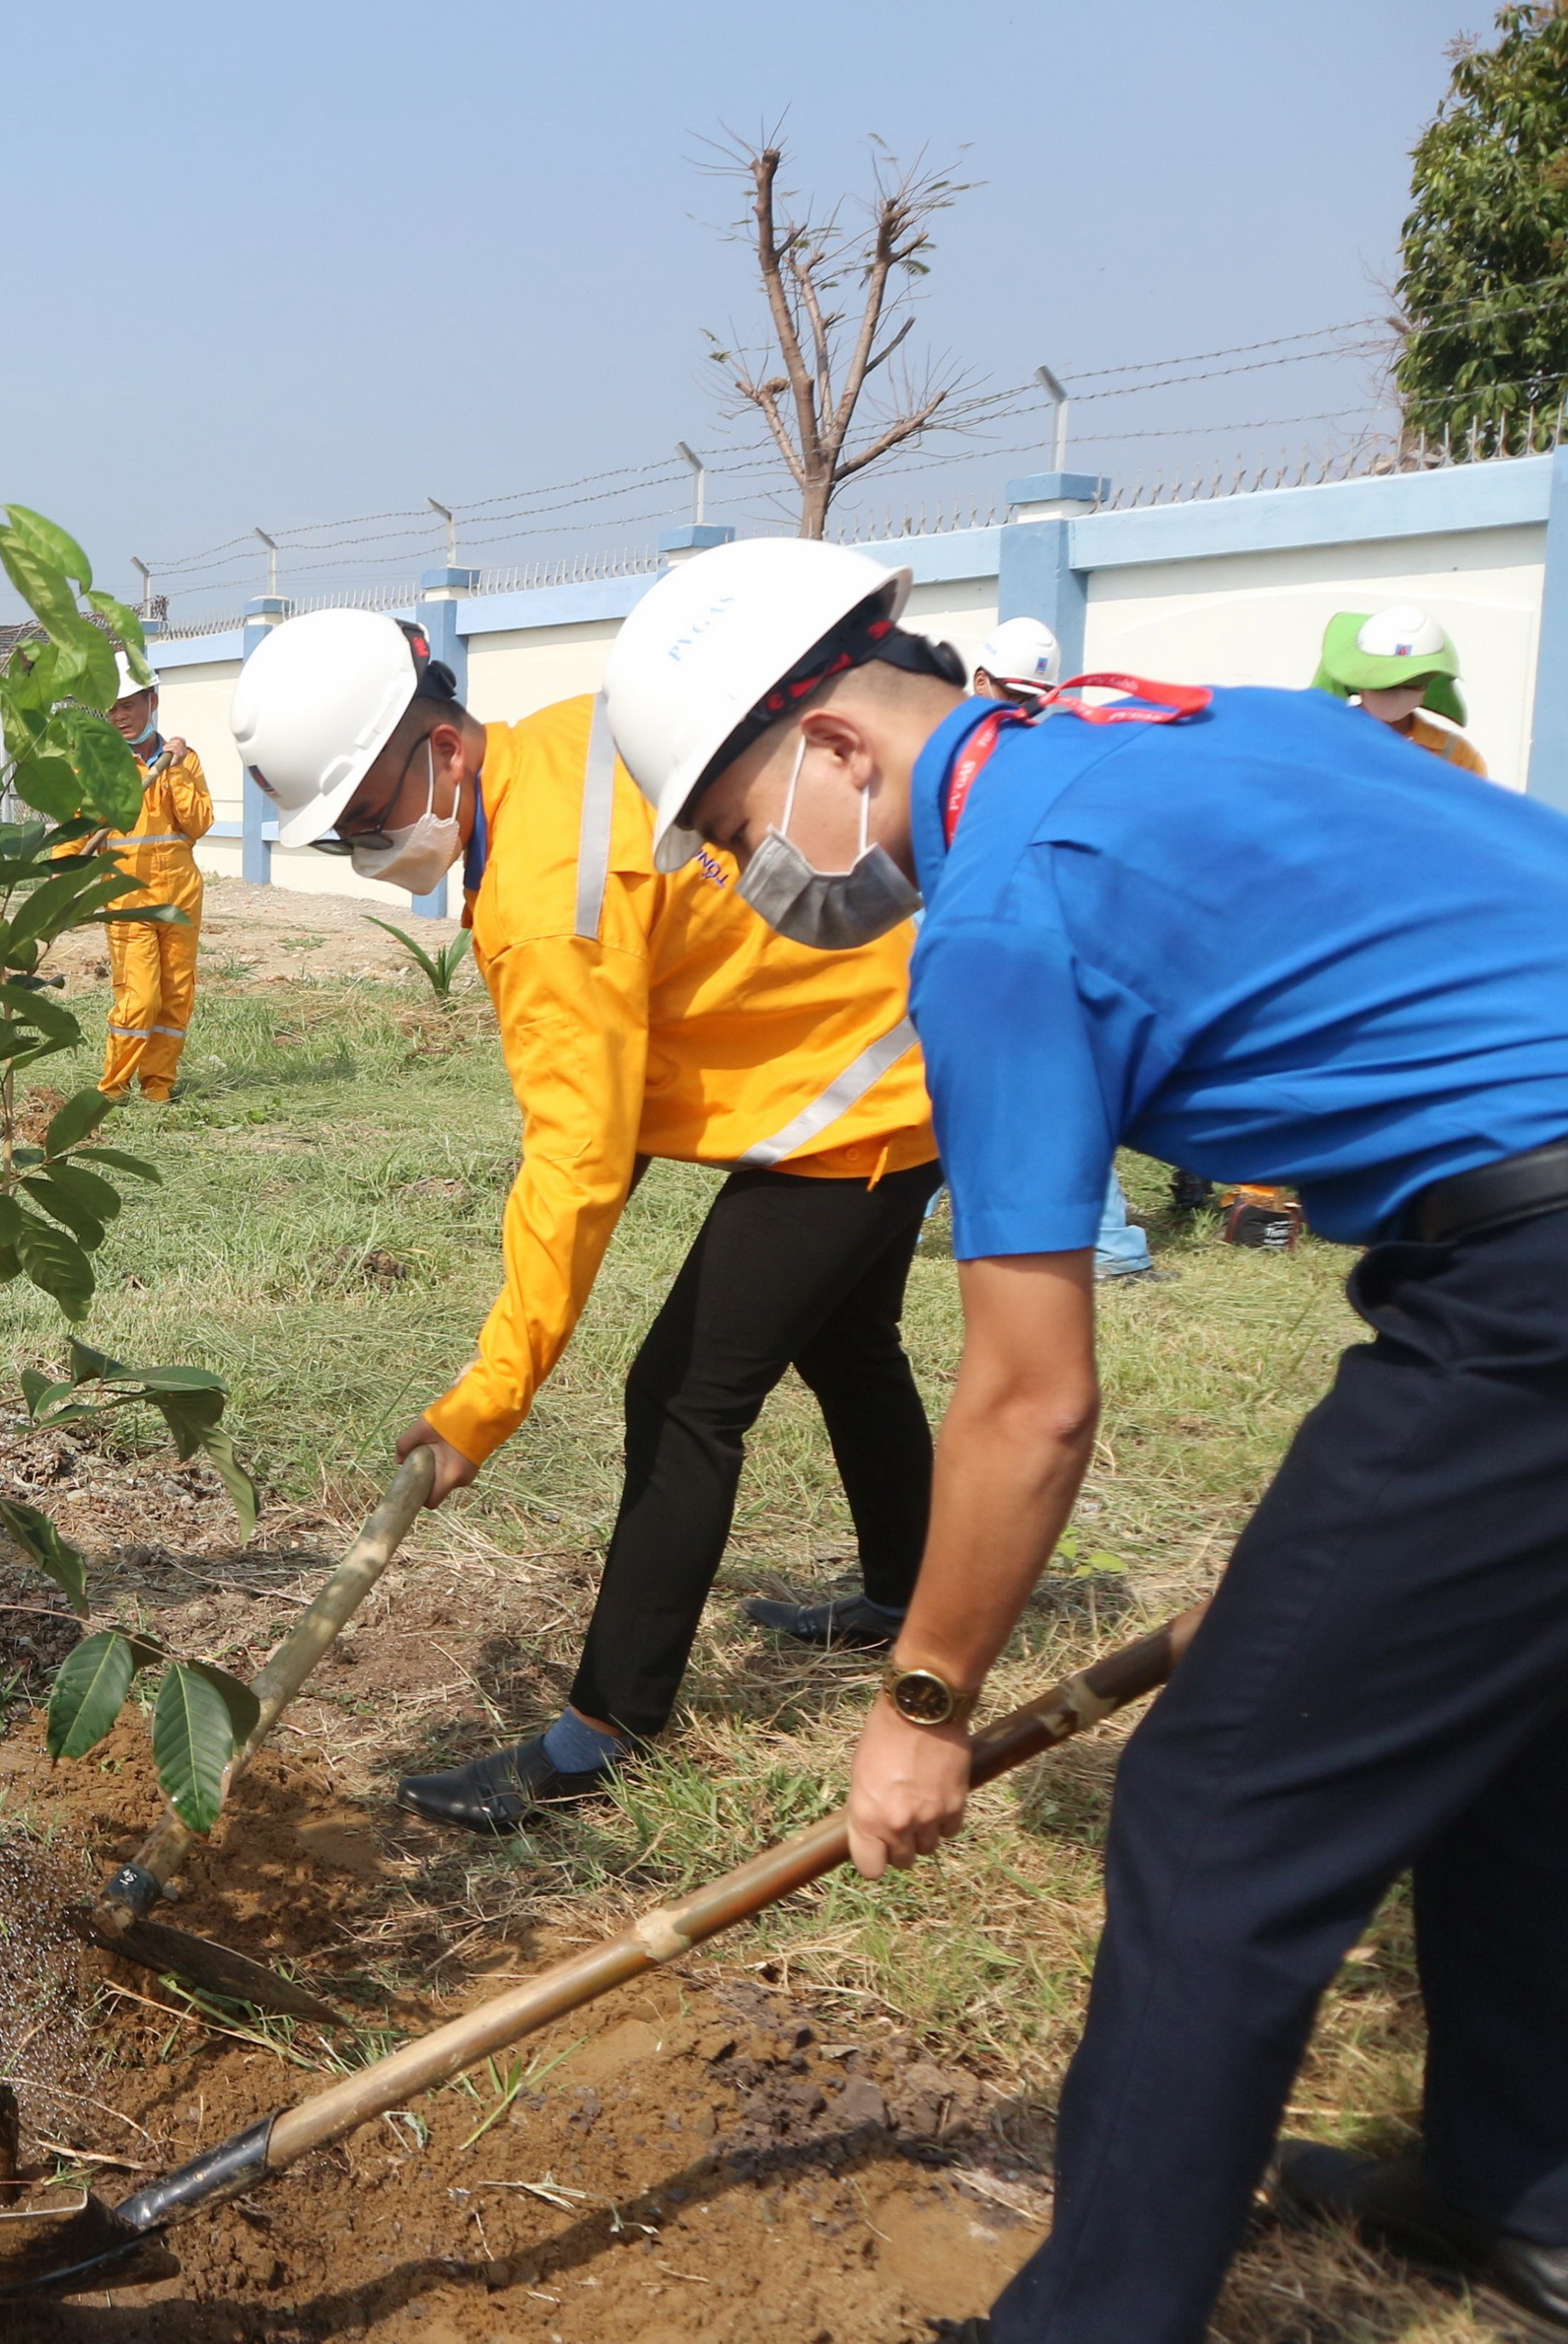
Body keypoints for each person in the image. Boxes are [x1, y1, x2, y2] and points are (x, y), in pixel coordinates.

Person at [603, 534, 1568, 2341]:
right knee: (1513, 1727)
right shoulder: (1156, 718)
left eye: (735, 832)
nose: (750, 883)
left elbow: (1031, 1398)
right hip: (1513, 1249)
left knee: (1215, 1816)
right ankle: (1531, 2188)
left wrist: (925, 1704)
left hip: (1543, 1277)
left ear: (831, 743)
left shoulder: (998, 913)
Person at [230, 608, 943, 1834]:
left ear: (446, 750)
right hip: (902, 1026)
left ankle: (603, 1732)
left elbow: (577, 1157)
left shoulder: (546, 890)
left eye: (364, 818)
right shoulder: (558, 747)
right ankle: (907, 1589)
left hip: (867, 1077)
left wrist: (487, 1399)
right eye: (341, 836)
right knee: (845, 1338)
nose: (365, 850)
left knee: (680, 1395)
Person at [973, 622, 1154, 1284]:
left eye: (1034, 695)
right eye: (1016, 693)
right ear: (981, 681)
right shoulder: (969, 751)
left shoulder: (1045, 747)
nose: (1027, 707)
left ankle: (1112, 1248)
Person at [88, 656, 213, 1100]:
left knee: (176, 996)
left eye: (128, 704)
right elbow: (78, 828)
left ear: (151, 701)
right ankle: (113, 1089)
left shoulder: (184, 760)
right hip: (128, 898)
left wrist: (174, 769)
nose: (119, 715)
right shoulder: (100, 765)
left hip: (180, 897)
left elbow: (197, 823)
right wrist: (58, 879)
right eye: (112, 707)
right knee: (140, 998)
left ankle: (158, 1087)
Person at [1314, 604, 1492, 780]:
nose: (1398, 692)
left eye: (1412, 682)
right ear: (1358, 680)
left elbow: (1478, 808)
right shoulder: (1321, 739)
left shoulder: (1457, 754)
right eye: (1385, 683)